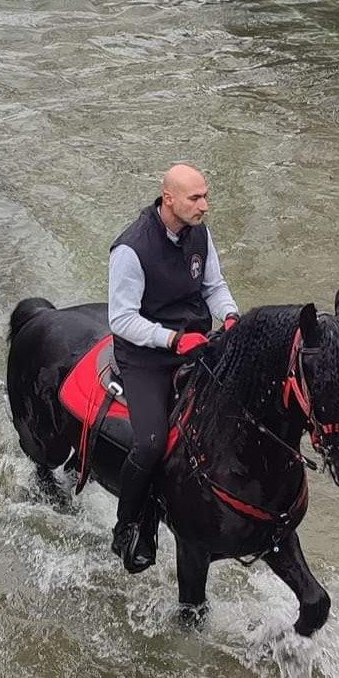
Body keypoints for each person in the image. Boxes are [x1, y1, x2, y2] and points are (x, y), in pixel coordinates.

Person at [108, 165, 239, 572]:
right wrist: (172, 340)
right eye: (195, 199)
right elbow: (121, 319)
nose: (205, 206)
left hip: (194, 343)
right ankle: (128, 526)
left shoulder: (200, 232)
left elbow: (213, 287)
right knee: (150, 442)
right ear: (168, 199)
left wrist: (230, 317)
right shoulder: (131, 249)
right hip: (146, 355)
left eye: (206, 196)